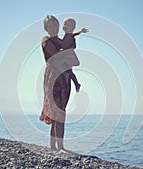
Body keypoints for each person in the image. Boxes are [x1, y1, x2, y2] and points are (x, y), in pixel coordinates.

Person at [39, 15, 74, 152]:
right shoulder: (46, 40)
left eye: (56, 25)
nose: (54, 27)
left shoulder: (61, 41)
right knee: (56, 112)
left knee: (61, 112)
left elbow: (69, 57)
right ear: (46, 28)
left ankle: (58, 146)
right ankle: (56, 146)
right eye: (51, 25)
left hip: (64, 78)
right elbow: (58, 57)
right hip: (53, 78)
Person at [60, 18, 88, 92]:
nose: (64, 26)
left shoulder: (69, 35)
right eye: (64, 24)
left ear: (72, 27)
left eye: (67, 25)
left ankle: (76, 84)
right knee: (68, 70)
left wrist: (80, 31)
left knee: (68, 70)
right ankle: (75, 83)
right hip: (66, 54)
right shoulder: (67, 35)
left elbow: (73, 35)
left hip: (69, 55)